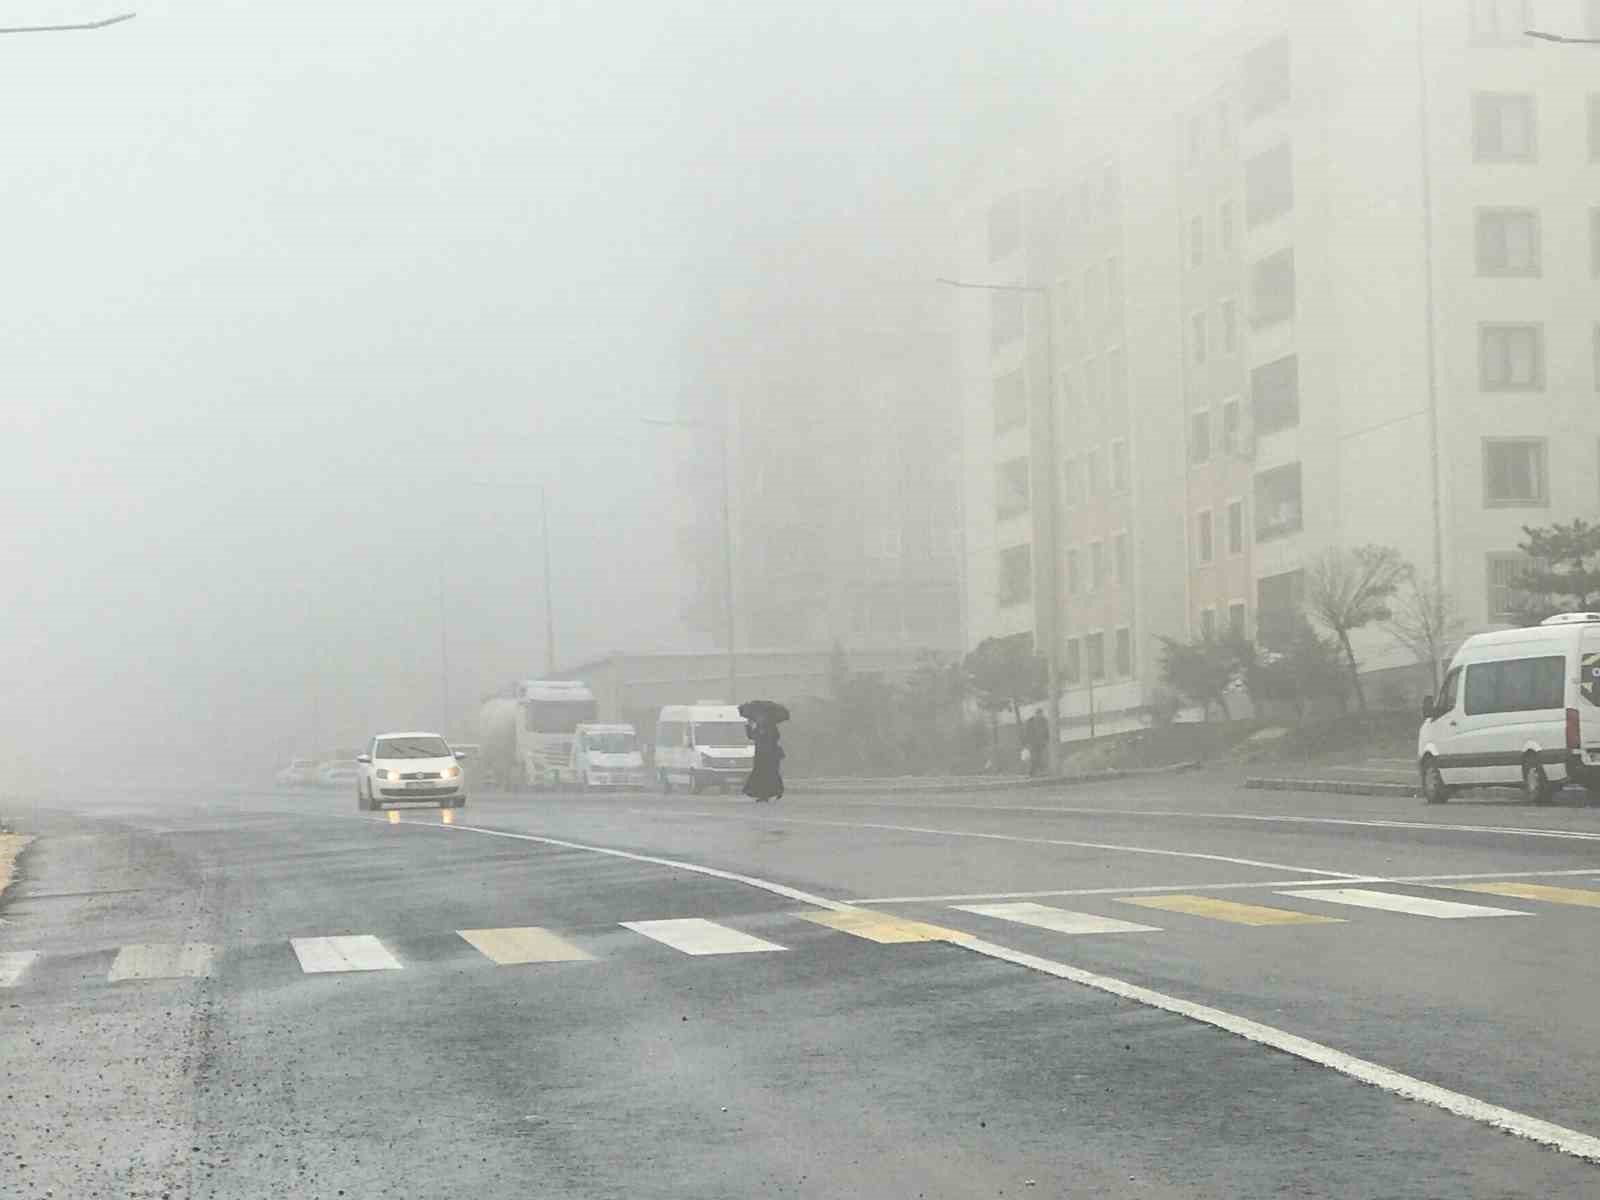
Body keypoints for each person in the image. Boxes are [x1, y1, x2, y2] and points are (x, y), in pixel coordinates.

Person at [742, 714, 784, 802]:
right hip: (760, 755)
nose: (759, 719)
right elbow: (751, 736)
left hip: (770, 755)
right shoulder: (758, 728)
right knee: (760, 775)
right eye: (758, 718)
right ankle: (763, 795)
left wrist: (764, 734)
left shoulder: (771, 727)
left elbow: (775, 737)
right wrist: (748, 726)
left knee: (771, 774)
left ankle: (775, 792)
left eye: (761, 718)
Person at [1023, 710, 1049, 777]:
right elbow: (1027, 733)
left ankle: (1038, 772)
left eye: (1041, 714)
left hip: (1041, 743)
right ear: (1036, 714)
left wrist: (1046, 740)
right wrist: (1027, 743)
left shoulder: (1044, 721)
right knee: (1034, 758)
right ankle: (1032, 772)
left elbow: (1046, 731)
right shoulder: (1030, 721)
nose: (1040, 716)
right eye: (1038, 714)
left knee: (1039, 757)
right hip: (1033, 743)